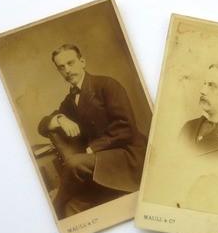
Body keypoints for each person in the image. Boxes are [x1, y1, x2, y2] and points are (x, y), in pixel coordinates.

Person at [38, 44, 147, 219]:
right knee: (72, 208)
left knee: (74, 164)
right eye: (61, 67)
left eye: (71, 63)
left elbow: (126, 128)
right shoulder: (70, 100)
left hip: (128, 155)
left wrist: (94, 148)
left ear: (82, 62)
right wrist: (60, 119)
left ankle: (53, 209)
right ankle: (60, 212)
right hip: (102, 158)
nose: (67, 70)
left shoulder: (106, 85)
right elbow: (42, 126)